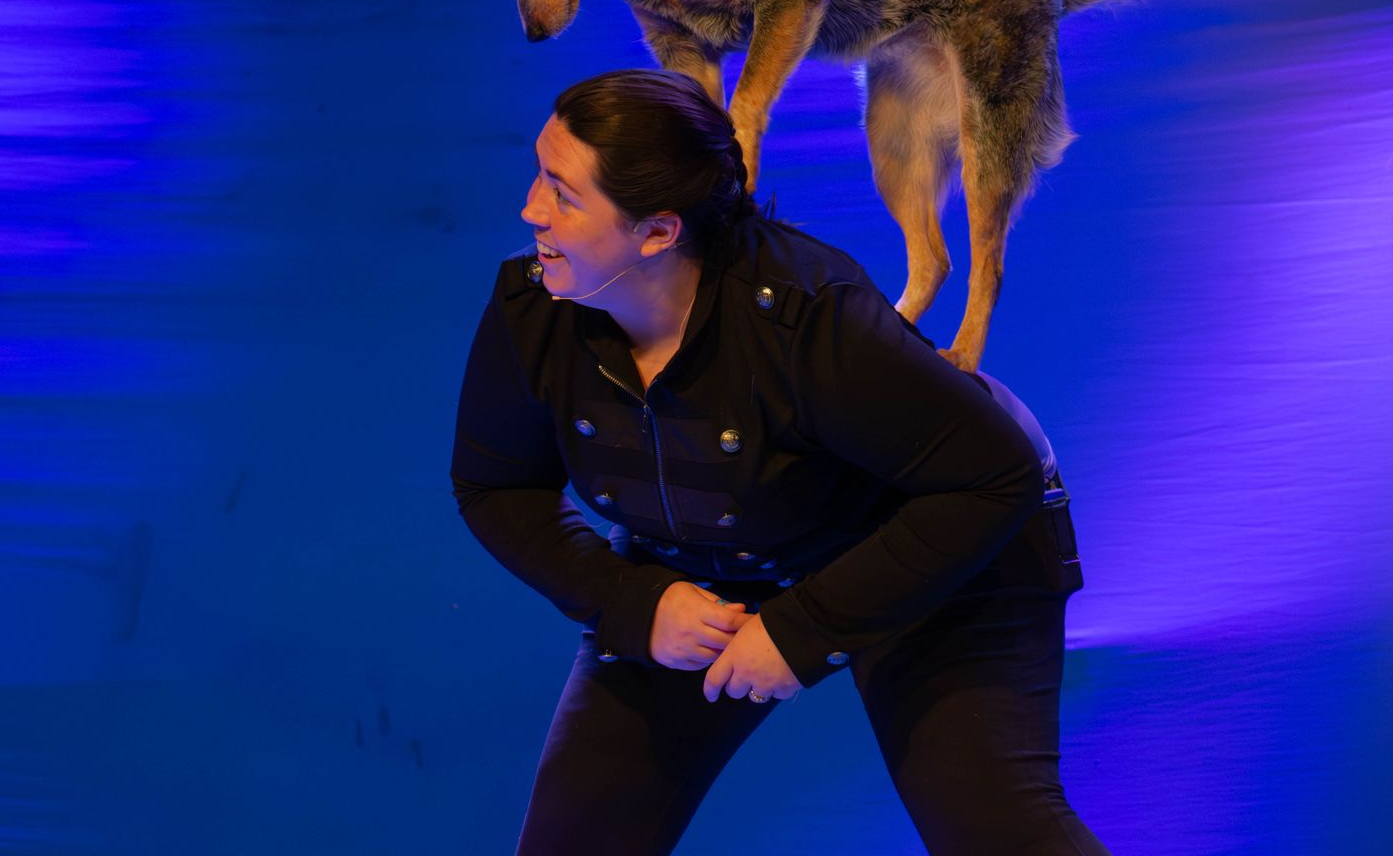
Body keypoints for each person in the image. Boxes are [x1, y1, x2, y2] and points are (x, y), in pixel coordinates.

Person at [450, 68, 1108, 854]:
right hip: (704, 568)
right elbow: (496, 486)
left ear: (658, 232)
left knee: (997, 833)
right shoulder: (533, 309)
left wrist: (804, 629)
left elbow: (992, 477)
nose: (530, 209)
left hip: (938, 544)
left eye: (563, 192)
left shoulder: (807, 317)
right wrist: (631, 602)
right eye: (539, 174)